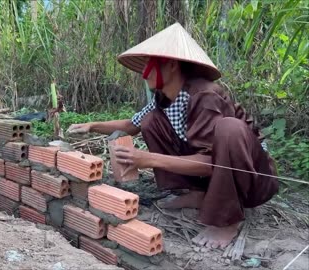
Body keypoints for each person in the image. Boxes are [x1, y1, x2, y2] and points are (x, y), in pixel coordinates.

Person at [67, 23, 279, 249]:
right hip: (214, 176)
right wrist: (91, 125)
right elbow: (132, 124)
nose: (144, 72)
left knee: (230, 128)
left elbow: (212, 163)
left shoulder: (205, 95)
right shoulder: (164, 98)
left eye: (151, 64)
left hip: (253, 181)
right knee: (151, 121)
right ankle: (197, 193)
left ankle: (227, 220)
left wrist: (148, 159)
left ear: (171, 65)